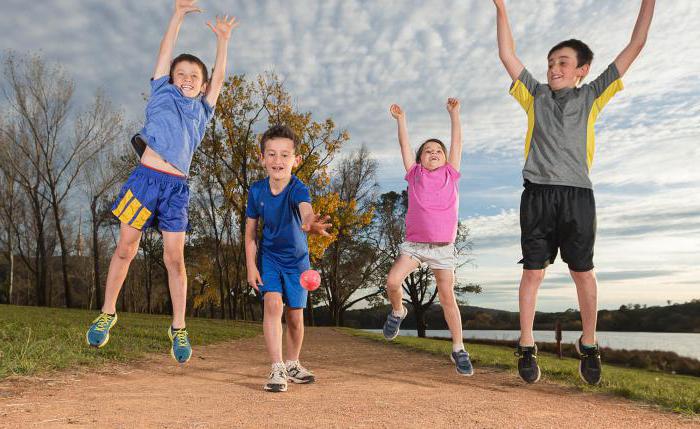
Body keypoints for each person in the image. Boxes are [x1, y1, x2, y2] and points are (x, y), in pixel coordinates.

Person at [493, 0, 656, 384]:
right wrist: (501, 7)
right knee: (533, 272)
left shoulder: (592, 95)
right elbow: (506, 52)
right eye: (550, 62)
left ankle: (589, 342)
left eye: (562, 63)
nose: (553, 68)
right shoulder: (534, 94)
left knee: (583, 272)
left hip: (578, 196)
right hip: (537, 196)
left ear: (581, 70)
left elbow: (636, 45)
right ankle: (528, 344)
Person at [85, 0, 238, 364]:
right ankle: (107, 312)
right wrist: (178, 16)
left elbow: (219, 78)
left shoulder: (202, 110)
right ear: (171, 78)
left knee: (175, 259)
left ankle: (179, 326)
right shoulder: (162, 92)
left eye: (194, 76)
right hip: (145, 180)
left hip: (176, 190)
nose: (187, 78)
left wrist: (223, 40)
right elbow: (165, 53)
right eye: (181, 73)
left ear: (201, 87)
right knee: (126, 248)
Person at [382, 98, 473, 376]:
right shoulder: (415, 174)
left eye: (438, 150)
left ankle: (458, 348)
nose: (433, 153)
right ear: (420, 158)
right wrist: (401, 120)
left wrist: (455, 114)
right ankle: (398, 312)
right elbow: (404, 146)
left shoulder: (451, 173)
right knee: (392, 281)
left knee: (447, 298)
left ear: (445, 158)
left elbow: (457, 142)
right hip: (415, 246)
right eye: (427, 151)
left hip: (444, 249)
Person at [245, 124, 332, 392]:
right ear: (262, 158)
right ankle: (277, 367)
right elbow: (250, 235)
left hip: (297, 263)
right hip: (270, 258)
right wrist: (251, 267)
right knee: (273, 305)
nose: (277, 161)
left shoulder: (298, 188)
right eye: (271, 154)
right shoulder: (256, 191)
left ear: (296, 160)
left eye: (284, 155)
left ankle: (293, 363)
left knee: (295, 316)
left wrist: (310, 222)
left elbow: (306, 211)